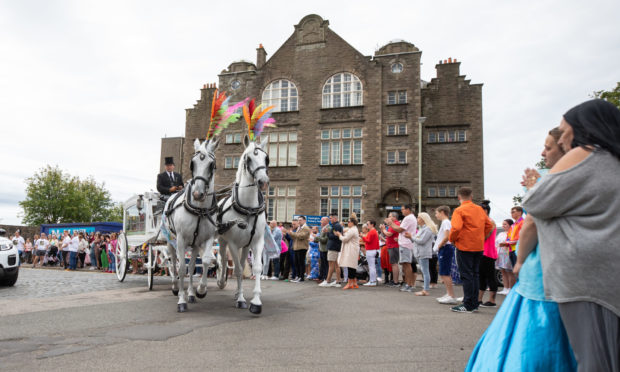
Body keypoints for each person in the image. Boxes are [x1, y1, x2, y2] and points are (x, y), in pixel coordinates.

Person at [466, 126, 576, 371]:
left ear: (567, 147)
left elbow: (532, 224)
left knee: (532, 335)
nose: (543, 153)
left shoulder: (556, 179)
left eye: (548, 148)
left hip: (543, 271)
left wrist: (521, 260)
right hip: (569, 270)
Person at [522, 99, 620, 370]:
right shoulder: (612, 158)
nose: (563, 138)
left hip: (588, 281)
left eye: (566, 130)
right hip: (607, 275)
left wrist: (533, 184)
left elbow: (537, 202)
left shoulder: (587, 152)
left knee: (595, 360)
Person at [449, 187, 494, 313]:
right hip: (478, 246)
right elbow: (489, 225)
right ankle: (474, 303)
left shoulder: (459, 210)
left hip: (464, 246)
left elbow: (456, 228)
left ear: (459, 197)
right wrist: (482, 237)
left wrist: (452, 239)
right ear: (471, 196)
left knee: (467, 275)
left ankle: (468, 304)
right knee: (475, 274)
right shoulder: (479, 209)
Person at [385, 205, 418, 292]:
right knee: (405, 265)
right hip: (406, 243)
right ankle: (408, 284)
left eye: (403, 209)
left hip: (405, 244)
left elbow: (399, 229)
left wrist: (390, 223)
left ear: (408, 209)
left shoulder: (408, 218)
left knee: (407, 264)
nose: (401, 211)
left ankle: (409, 284)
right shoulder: (410, 218)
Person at [405, 212, 437, 296]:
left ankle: (425, 290)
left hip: (423, 252)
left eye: (418, 218)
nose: (417, 219)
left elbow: (421, 241)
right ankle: (425, 289)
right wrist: (411, 237)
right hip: (419, 252)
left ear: (423, 219)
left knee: (425, 271)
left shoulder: (427, 229)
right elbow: (416, 240)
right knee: (424, 270)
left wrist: (411, 237)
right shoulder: (422, 228)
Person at [434, 206, 458, 304]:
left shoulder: (446, 222)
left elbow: (447, 236)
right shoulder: (445, 222)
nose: (436, 215)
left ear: (442, 212)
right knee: (443, 272)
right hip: (444, 248)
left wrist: (440, 245)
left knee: (445, 272)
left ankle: (451, 296)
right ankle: (449, 293)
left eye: (436, 213)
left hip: (445, 248)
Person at [477, 201, 498, 307]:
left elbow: (483, 237)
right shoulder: (485, 221)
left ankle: (492, 300)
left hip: (488, 253)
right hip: (483, 252)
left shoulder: (489, 222)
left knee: (490, 276)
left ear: (485, 211)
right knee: (482, 276)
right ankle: (479, 299)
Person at [335, 216, 360, 290]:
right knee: (352, 266)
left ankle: (350, 283)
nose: (347, 223)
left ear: (352, 223)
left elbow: (345, 239)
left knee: (350, 266)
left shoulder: (352, 230)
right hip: (352, 249)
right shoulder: (353, 229)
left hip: (351, 250)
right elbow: (346, 230)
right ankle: (354, 283)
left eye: (348, 222)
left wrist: (339, 235)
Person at [320, 213, 343, 287]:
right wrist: (329, 233)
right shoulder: (336, 225)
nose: (330, 219)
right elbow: (334, 235)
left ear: (335, 218)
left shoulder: (336, 226)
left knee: (331, 265)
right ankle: (338, 281)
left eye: (331, 218)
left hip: (333, 247)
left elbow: (336, 236)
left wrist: (327, 233)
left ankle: (328, 280)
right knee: (336, 265)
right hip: (334, 246)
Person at [380, 212, 401, 287]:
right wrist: (383, 230)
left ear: (394, 217)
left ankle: (396, 282)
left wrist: (383, 229)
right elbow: (387, 234)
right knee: (393, 264)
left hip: (394, 246)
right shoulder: (391, 225)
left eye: (389, 216)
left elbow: (389, 234)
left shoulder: (396, 224)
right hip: (390, 245)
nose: (388, 218)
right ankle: (394, 281)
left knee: (394, 264)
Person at [287, 216, 310, 282]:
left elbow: (301, 236)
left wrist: (292, 233)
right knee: (296, 263)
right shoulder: (299, 228)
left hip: (302, 247)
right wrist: (290, 234)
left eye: (301, 220)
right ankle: (298, 276)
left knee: (301, 263)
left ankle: (301, 277)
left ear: (304, 220)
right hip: (296, 247)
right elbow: (294, 237)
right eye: (298, 220)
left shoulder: (306, 228)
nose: (299, 221)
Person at [495, 219, 514, 294]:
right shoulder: (501, 234)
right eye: (503, 224)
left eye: (505, 224)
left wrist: (505, 244)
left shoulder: (512, 233)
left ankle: (510, 288)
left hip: (507, 253)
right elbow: (496, 243)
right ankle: (505, 288)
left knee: (509, 271)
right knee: (502, 271)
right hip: (500, 253)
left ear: (510, 225)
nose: (503, 226)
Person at [361, 220, 380, 286]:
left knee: (371, 267)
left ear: (372, 224)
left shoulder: (372, 231)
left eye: (368, 224)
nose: (367, 225)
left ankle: (372, 281)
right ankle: (372, 281)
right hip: (372, 250)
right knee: (372, 267)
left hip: (370, 250)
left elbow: (368, 240)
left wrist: (362, 237)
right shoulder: (373, 231)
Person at [315, 217, 329, 283]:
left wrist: (318, 238)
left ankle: (325, 278)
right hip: (321, 248)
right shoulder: (322, 228)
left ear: (326, 221)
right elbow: (319, 238)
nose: (320, 221)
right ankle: (321, 276)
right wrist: (316, 238)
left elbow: (325, 240)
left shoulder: (328, 228)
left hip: (325, 249)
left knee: (325, 264)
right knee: (322, 264)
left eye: (322, 220)